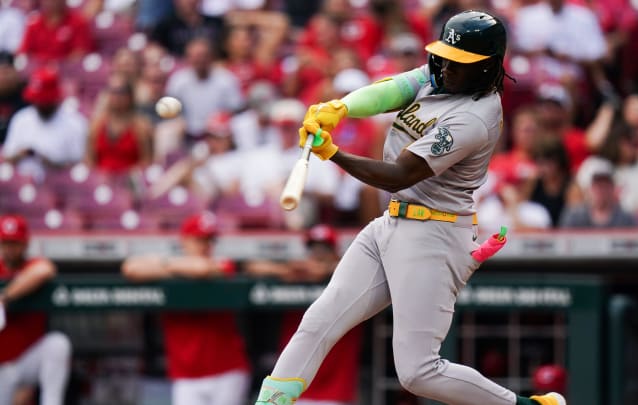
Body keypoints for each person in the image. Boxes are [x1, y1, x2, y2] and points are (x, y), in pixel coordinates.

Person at [254, 10, 565, 405]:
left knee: (419, 372)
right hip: (392, 224)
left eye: (461, 63)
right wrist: (342, 107)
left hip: (433, 236)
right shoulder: (443, 73)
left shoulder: (475, 116)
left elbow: (399, 174)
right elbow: (392, 90)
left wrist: (332, 153)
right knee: (319, 319)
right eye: (445, 56)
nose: (446, 67)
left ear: (487, 68)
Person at [121, 212, 251, 405]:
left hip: (227, 370)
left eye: (210, 240)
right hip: (187, 374)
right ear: (185, 241)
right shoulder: (175, 267)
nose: (207, 246)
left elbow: (202, 269)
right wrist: (174, 267)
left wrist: (163, 264)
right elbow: (130, 268)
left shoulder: (222, 263)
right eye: (200, 240)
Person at [245, 224, 364, 405]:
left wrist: (327, 268)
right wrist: (285, 270)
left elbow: (362, 267)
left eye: (324, 249)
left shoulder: (349, 275)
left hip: (336, 387)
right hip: (295, 385)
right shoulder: (295, 273)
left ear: (335, 251)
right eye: (313, 248)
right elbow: (250, 266)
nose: (318, 254)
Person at [0, 214, 72, 405]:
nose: (9, 249)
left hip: (27, 360)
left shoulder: (32, 266)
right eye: (6, 243)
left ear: (25, 244)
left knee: (58, 344)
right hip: (2, 368)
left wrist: (5, 297)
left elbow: (45, 270)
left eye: (15, 243)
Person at [2, 67, 88, 183]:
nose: (39, 104)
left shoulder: (75, 123)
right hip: (22, 184)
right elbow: (7, 158)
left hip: (61, 186)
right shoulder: (21, 118)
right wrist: (22, 154)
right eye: (36, 100)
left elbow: (81, 168)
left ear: (55, 98)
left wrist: (49, 162)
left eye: (44, 101)